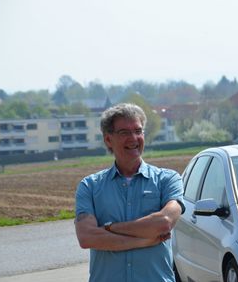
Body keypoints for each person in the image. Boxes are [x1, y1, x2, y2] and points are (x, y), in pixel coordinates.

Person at [75, 103, 185, 282]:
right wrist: (145, 240)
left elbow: (164, 223)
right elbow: (87, 237)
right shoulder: (90, 186)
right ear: (108, 139)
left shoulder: (168, 179)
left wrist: (110, 228)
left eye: (138, 131)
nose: (133, 138)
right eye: (124, 132)